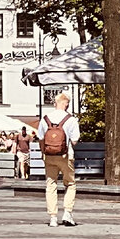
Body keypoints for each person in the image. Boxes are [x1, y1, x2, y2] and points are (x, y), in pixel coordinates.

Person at [37, 91, 81, 227]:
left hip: (49, 156)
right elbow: (74, 141)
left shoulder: (45, 119)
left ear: (55, 103)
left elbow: (41, 138)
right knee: (70, 183)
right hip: (65, 156)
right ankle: (67, 213)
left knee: (51, 185)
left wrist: (44, 151)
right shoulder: (71, 119)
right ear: (66, 104)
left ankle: (53, 218)